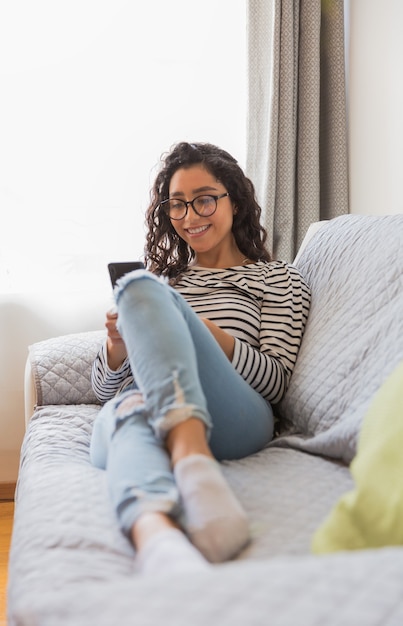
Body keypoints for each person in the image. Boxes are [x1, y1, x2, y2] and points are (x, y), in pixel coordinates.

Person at [90, 142, 311, 575]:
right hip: (149, 408)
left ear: (235, 199)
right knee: (129, 405)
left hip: (235, 415)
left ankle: (190, 452)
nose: (190, 216)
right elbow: (103, 392)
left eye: (204, 199)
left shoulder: (277, 279)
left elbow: (275, 383)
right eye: (177, 205)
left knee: (140, 289)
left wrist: (199, 327)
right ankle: (155, 538)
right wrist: (119, 346)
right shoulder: (164, 282)